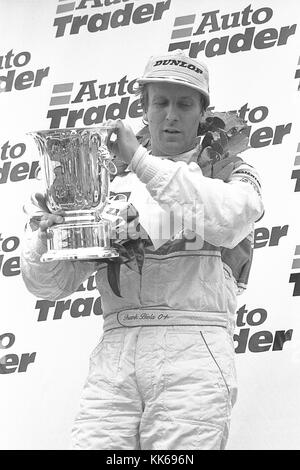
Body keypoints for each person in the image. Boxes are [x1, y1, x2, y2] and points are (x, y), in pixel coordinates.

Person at [21, 50, 264, 450]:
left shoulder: (231, 172)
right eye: (161, 102)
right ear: (144, 107)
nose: (171, 114)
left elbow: (230, 220)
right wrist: (45, 234)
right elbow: (50, 286)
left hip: (194, 348)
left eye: (184, 104)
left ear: (203, 111)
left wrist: (138, 158)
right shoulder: (106, 182)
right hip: (115, 351)